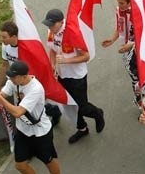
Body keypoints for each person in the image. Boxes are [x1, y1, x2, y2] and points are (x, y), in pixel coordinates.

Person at [0, 61, 61, 174]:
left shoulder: (36, 89)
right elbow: (2, 96)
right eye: (10, 76)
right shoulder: (13, 82)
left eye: (13, 77)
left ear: (24, 77)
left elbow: (18, 112)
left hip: (40, 132)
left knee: (49, 160)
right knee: (20, 165)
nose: (10, 79)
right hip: (23, 130)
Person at [42, 9, 105, 144]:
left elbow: (86, 56)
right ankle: (82, 128)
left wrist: (66, 61)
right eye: (48, 25)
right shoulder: (51, 32)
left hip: (77, 77)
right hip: (62, 75)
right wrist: (53, 65)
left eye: (52, 25)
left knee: (83, 107)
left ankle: (97, 114)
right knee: (69, 104)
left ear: (61, 22)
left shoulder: (72, 33)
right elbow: (52, 50)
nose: (50, 27)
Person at [100, 0, 140, 104]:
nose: (119, 5)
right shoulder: (119, 10)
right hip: (125, 48)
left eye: (122, 3)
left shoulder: (137, 14)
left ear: (129, 2)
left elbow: (144, 36)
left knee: (135, 75)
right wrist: (112, 39)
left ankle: (140, 100)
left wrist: (131, 45)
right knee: (132, 72)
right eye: (118, 2)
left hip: (136, 48)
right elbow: (120, 28)